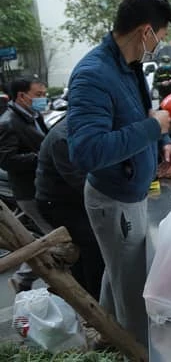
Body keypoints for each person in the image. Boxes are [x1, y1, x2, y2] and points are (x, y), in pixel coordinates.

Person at [67, 0, 171, 345]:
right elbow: (86, 152)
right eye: (159, 38)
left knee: (118, 273)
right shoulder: (93, 75)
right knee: (132, 289)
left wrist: (163, 142)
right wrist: (152, 128)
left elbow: (144, 116)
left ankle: (103, 337)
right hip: (113, 201)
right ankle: (134, 348)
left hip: (132, 193)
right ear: (145, 31)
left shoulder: (129, 68)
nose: (159, 45)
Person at [35, 119, 104, 300]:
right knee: (92, 244)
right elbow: (78, 180)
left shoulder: (83, 130)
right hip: (56, 203)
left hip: (73, 199)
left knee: (86, 247)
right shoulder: (62, 138)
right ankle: (96, 298)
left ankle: (84, 292)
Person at [0, 78, 51, 292]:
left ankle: (24, 278)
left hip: (42, 186)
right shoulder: (8, 122)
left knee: (49, 237)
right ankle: (26, 278)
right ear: (22, 96)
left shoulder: (33, 115)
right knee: (56, 238)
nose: (43, 99)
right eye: (39, 95)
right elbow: (6, 160)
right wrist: (40, 157)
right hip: (28, 191)